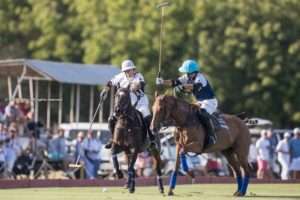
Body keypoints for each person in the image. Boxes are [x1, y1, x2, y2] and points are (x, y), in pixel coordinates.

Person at [156, 59, 218, 145]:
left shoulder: (200, 78)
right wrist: (162, 81)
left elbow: (193, 86)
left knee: (202, 114)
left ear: (192, 72)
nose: (185, 74)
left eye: (187, 72)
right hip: (199, 101)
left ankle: (212, 135)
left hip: (210, 102)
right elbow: (174, 82)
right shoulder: (187, 77)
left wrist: (182, 86)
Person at [102, 59, 155, 149]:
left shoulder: (138, 75)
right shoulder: (121, 76)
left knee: (146, 115)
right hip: (125, 106)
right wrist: (105, 90)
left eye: (129, 70)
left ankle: (150, 138)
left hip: (140, 104)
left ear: (133, 69)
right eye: (125, 71)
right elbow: (110, 82)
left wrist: (134, 86)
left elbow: (140, 83)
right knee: (111, 118)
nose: (127, 72)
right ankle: (112, 139)